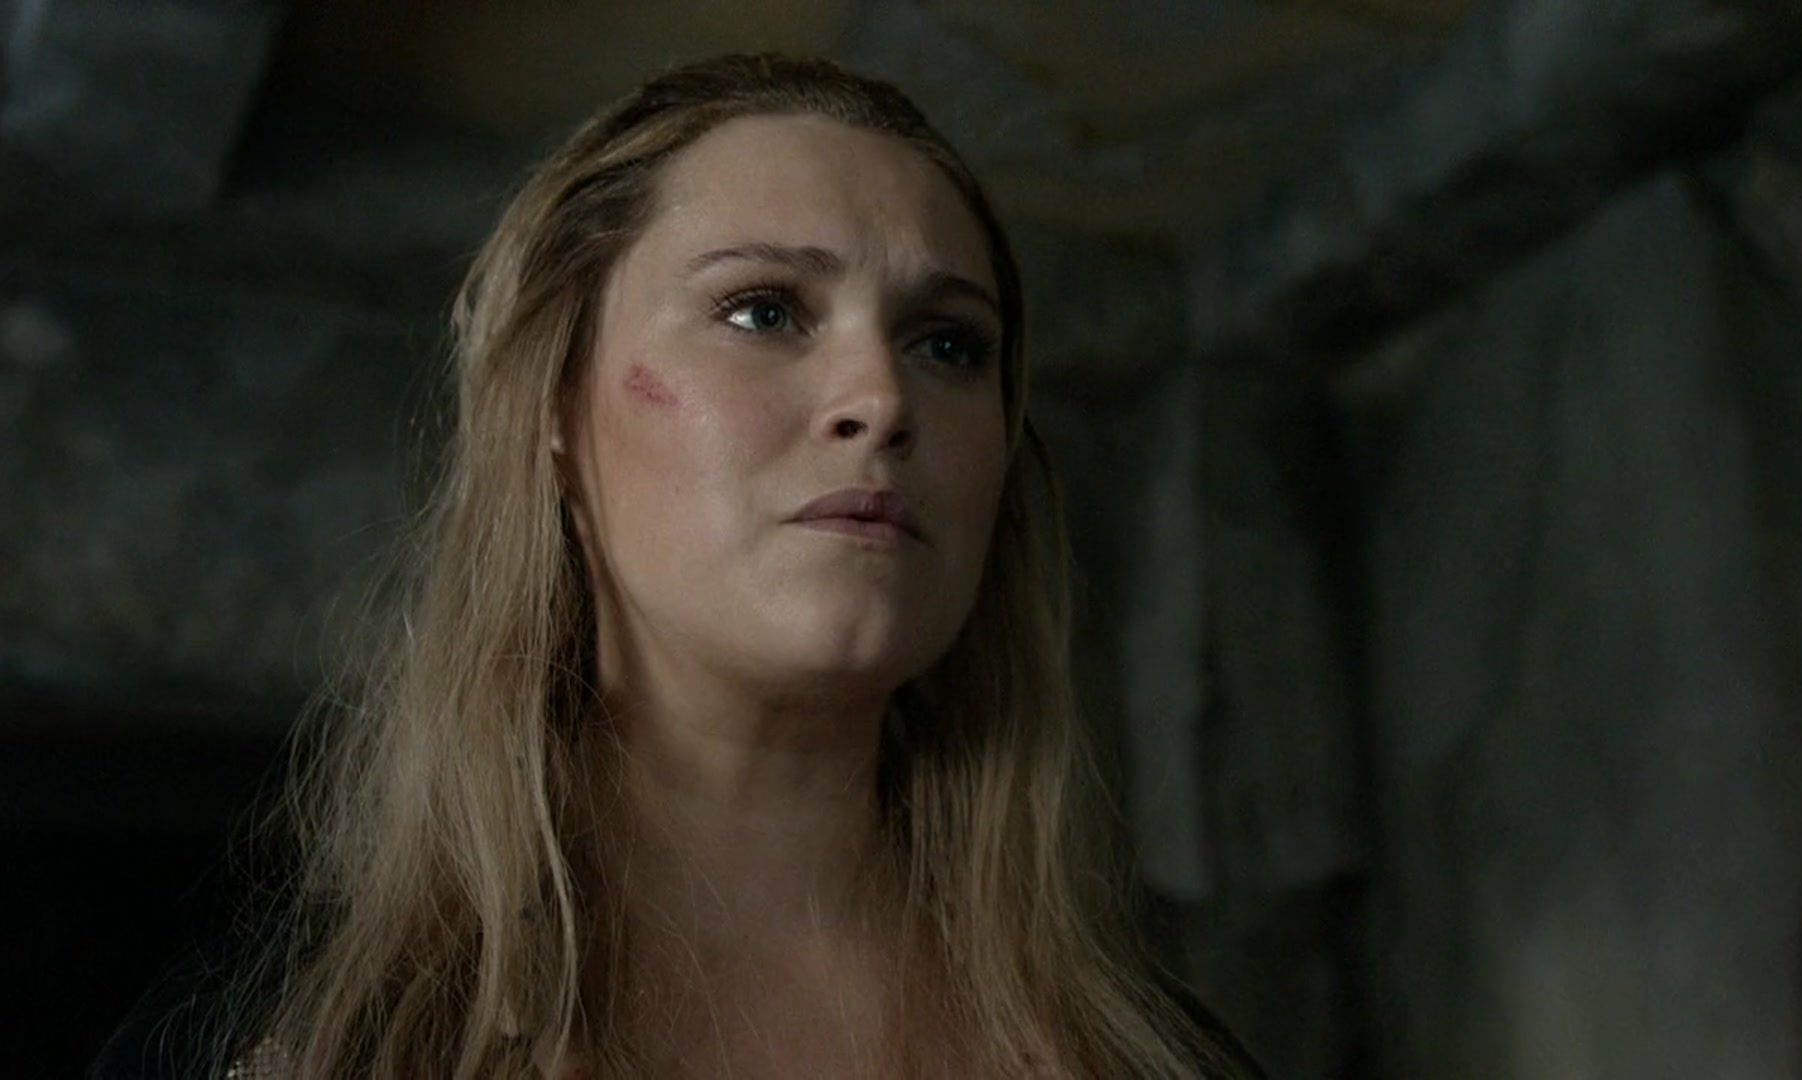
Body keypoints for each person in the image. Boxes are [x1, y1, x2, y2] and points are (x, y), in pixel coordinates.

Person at [96, 53, 1262, 1078]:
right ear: (555, 413)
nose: (881, 397)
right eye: (763, 312)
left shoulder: (1162, 1062)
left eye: (948, 342)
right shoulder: (280, 1045)